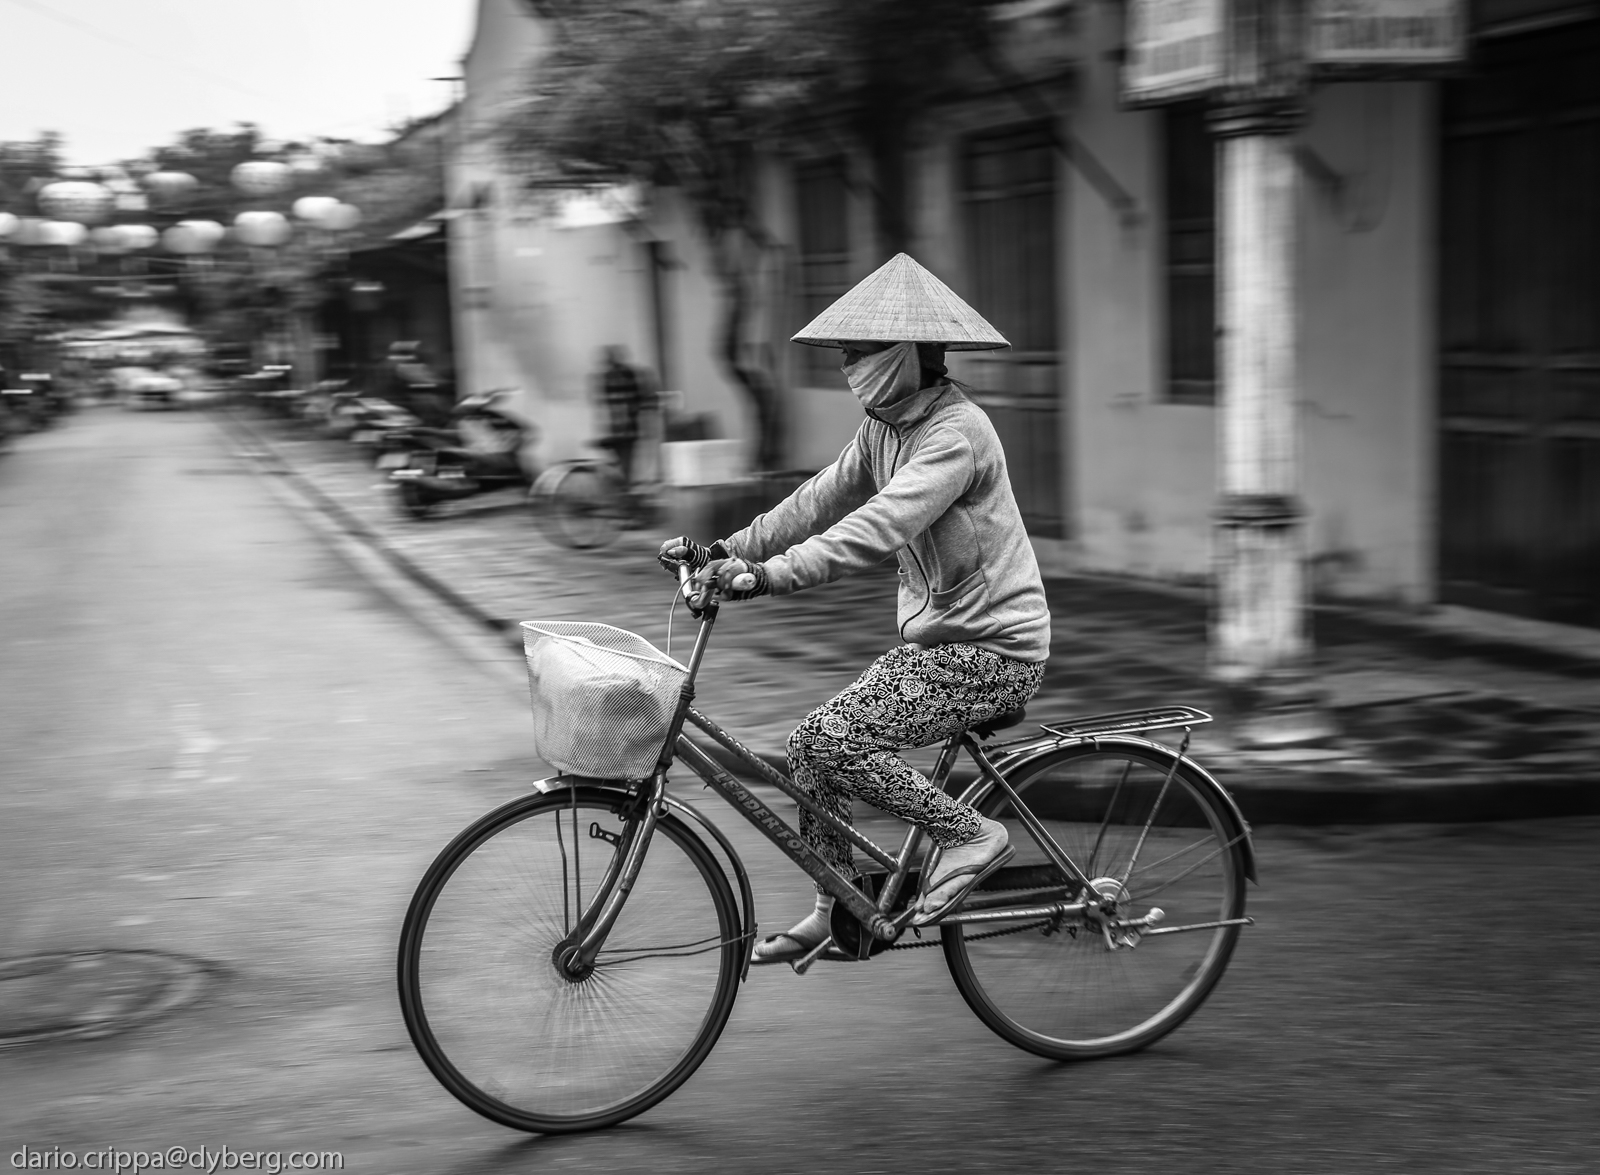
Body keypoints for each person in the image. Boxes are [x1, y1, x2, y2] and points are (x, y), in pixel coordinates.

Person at [658, 253, 1050, 965]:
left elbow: (876, 526)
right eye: (844, 352)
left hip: (995, 651)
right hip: (942, 647)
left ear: (905, 354)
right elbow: (815, 501)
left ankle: (971, 834)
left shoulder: (955, 433)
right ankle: (836, 903)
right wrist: (728, 550)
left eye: (859, 351)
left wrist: (766, 578)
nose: (848, 365)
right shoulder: (883, 428)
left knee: (838, 739)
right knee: (810, 744)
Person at [595, 346, 654, 487]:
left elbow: (611, 404)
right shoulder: (626, 374)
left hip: (621, 430)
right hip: (625, 429)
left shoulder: (613, 376)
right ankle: (624, 486)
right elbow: (639, 399)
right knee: (625, 464)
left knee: (623, 464)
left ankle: (623, 487)